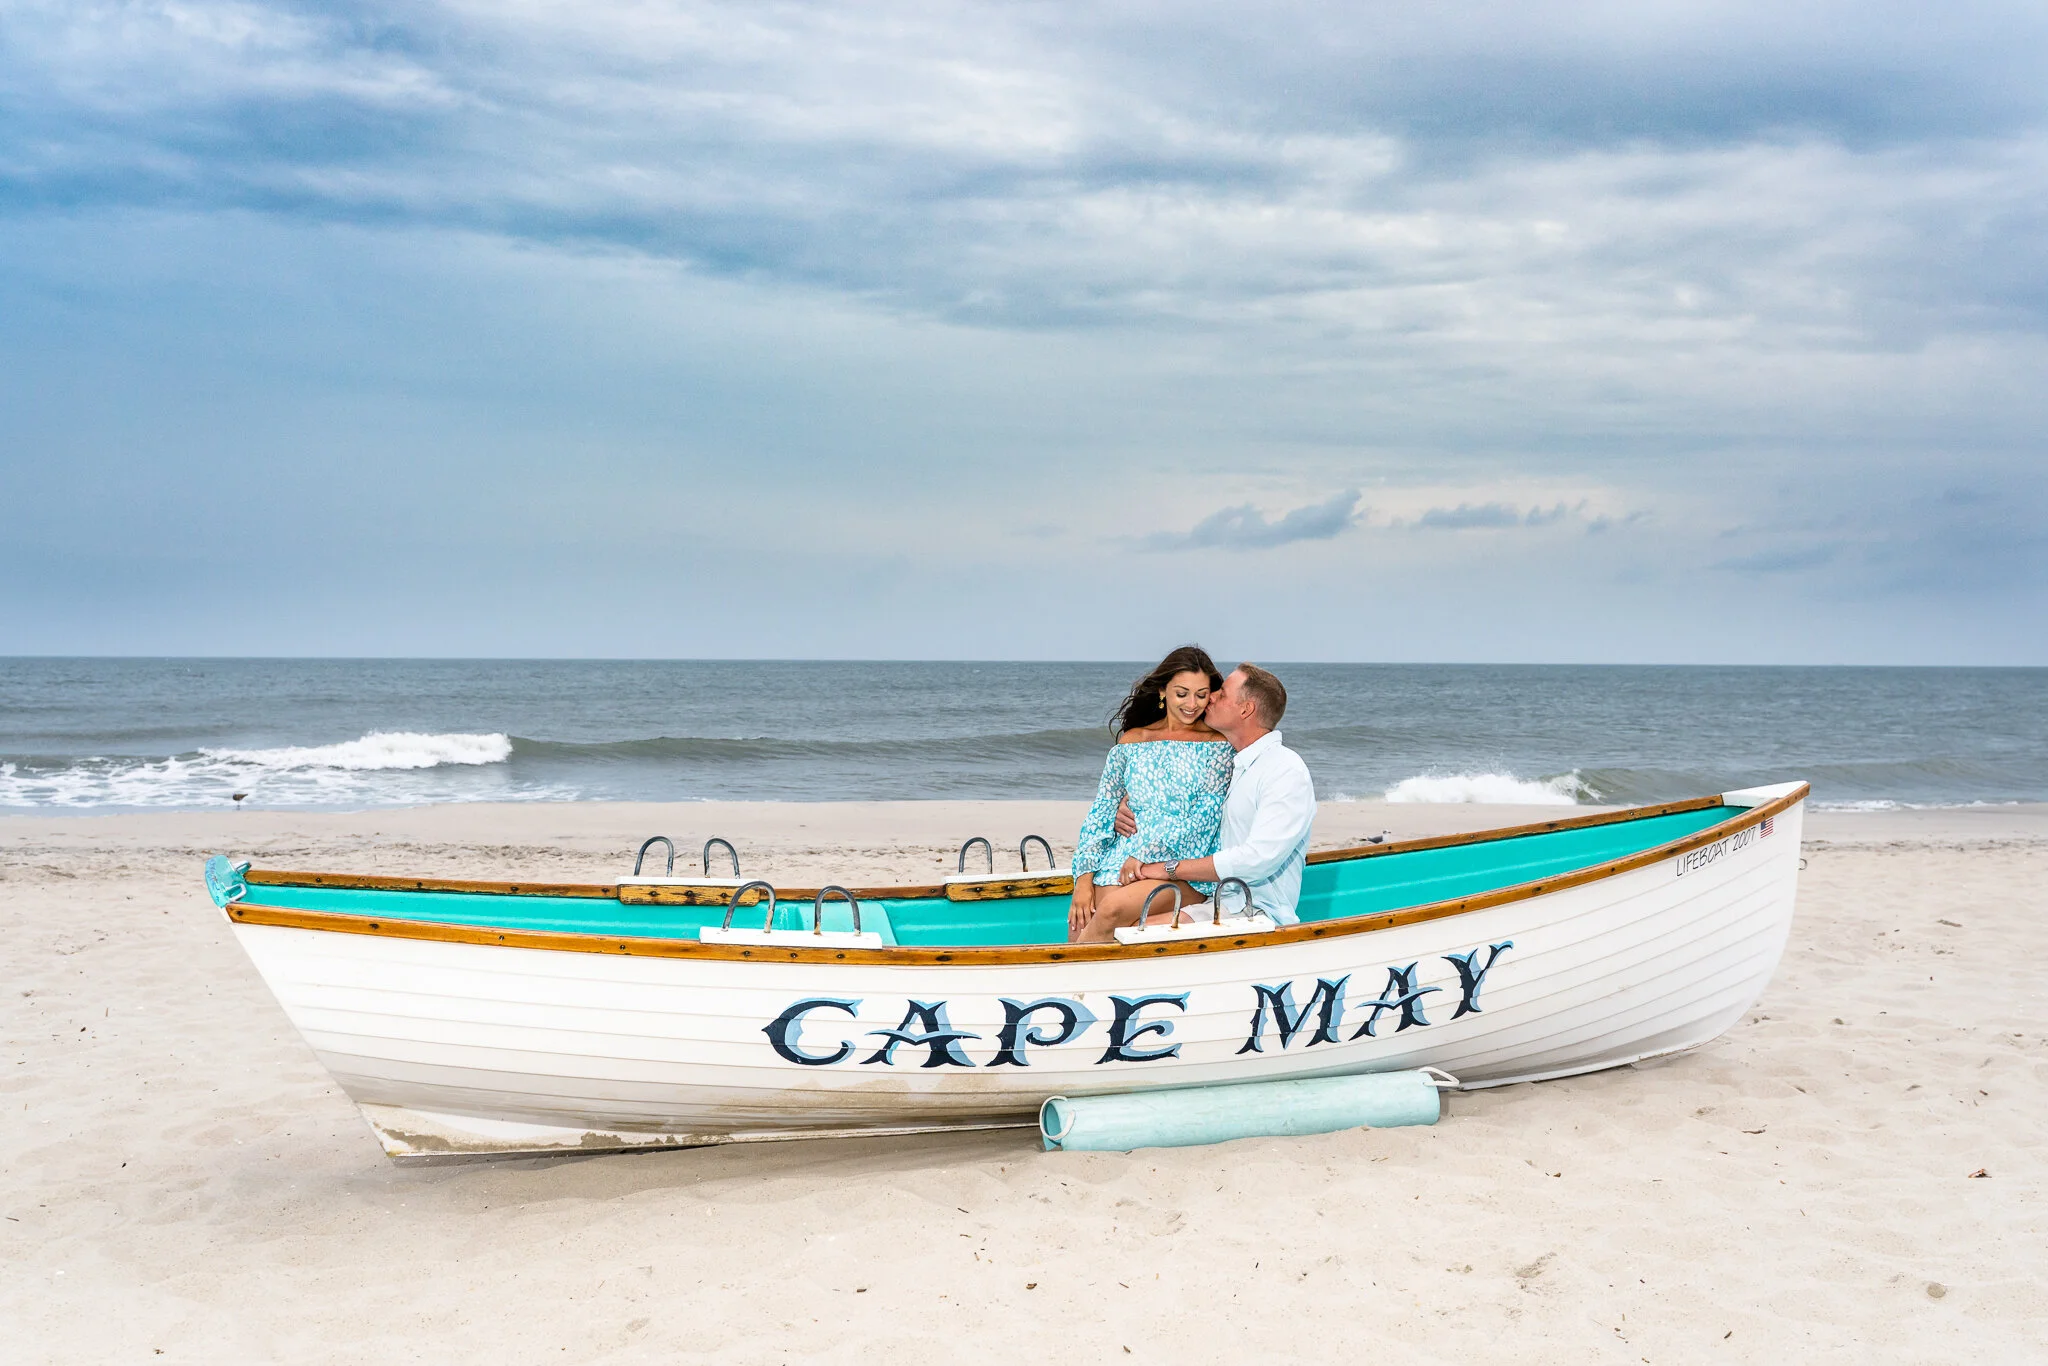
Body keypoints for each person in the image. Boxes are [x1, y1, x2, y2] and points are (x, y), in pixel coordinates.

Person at [1106, 662, 1314, 927]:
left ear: (1246, 709)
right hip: (1216, 899)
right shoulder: (1233, 763)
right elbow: (1180, 802)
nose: (1211, 697)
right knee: (1116, 919)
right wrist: (1129, 803)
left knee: (1130, 930)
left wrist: (1167, 868)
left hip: (1255, 910)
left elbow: (1256, 859)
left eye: (1222, 694)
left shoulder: (1284, 769)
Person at [1067, 647, 1234, 943]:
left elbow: (1203, 821)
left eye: (1201, 694)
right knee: (1082, 922)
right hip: (1118, 864)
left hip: (1180, 870)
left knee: (1111, 911)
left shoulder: (1218, 746)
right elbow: (1101, 813)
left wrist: (1145, 858)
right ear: (1162, 691)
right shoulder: (1131, 742)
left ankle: (1066, 983)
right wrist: (1082, 881)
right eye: (1182, 693)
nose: (1191, 704)